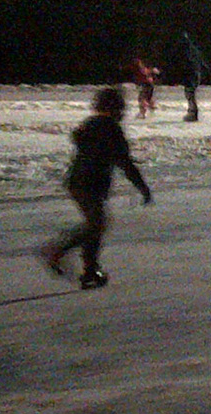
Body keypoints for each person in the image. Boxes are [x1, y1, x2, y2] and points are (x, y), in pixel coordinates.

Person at [41, 86, 152, 289]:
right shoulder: (110, 129)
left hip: (78, 183)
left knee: (96, 225)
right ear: (116, 108)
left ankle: (88, 269)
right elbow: (125, 163)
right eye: (121, 108)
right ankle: (59, 251)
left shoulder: (90, 125)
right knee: (96, 225)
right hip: (90, 184)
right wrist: (143, 188)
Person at [178, 32, 208, 123]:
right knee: (190, 93)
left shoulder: (188, 51)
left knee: (190, 93)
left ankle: (193, 113)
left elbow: (189, 63)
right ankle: (192, 112)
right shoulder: (195, 50)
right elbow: (202, 62)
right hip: (196, 73)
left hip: (192, 73)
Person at [123, 52, 158, 117]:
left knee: (142, 99)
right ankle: (150, 108)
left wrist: (151, 71)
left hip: (146, 84)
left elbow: (145, 73)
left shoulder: (139, 68)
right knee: (147, 98)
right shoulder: (140, 68)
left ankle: (143, 113)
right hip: (149, 84)